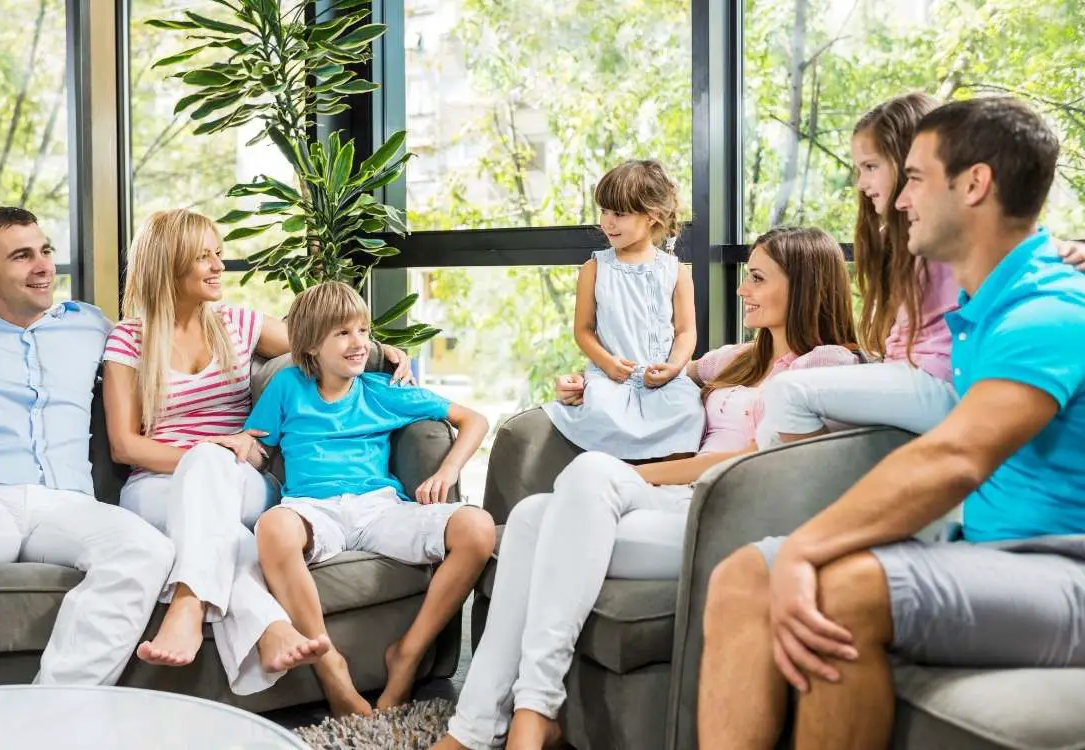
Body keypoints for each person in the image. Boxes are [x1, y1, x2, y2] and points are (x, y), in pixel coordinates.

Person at [698, 97, 1085, 750]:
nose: (898, 199)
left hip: (1064, 567)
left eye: (914, 178)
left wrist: (807, 545)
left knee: (842, 590)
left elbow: (953, 458)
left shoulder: (1047, 312)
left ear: (974, 184)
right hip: (984, 551)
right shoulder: (982, 313)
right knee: (744, 573)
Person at [433, 226, 861, 750]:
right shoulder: (735, 360)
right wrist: (584, 386)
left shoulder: (830, 364)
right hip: (673, 502)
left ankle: (535, 708)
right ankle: (473, 729)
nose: (742, 290)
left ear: (804, 286)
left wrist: (641, 474)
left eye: (756, 278)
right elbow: (645, 374)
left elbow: (770, 460)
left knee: (592, 474)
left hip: (724, 518)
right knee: (527, 518)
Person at [102, 209, 414, 694]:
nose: (216, 267)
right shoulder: (130, 339)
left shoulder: (238, 324)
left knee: (212, 464)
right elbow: (125, 446)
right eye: (202, 257)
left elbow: (324, 343)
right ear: (167, 264)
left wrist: (383, 351)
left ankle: (189, 599)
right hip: (155, 487)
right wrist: (205, 454)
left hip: (240, 477)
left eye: (218, 254)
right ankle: (274, 633)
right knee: (225, 527)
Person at [0, 206, 175, 695]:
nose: (43, 266)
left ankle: (50, 711)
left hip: (67, 505)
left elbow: (178, 343)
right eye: (22, 256)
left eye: (45, 251)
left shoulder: (90, 326)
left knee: (148, 547)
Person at [754, 93, 1085, 449]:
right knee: (771, 428)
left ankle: (838, 494)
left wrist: (1072, 247)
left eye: (870, 167)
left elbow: (1011, 241)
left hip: (939, 378)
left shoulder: (947, 235)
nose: (862, 184)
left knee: (787, 394)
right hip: (911, 372)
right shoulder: (906, 236)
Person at [245, 282, 496, 716]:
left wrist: (446, 471)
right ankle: (331, 669)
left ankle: (408, 655)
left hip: (379, 509)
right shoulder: (287, 385)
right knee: (272, 527)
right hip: (311, 508)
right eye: (343, 333)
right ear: (310, 345)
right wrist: (227, 446)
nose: (359, 343)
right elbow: (257, 447)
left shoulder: (381, 390)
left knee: (478, 528)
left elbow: (473, 419)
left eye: (363, 330)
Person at [541, 159, 706, 460]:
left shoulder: (676, 271)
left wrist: (674, 366)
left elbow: (685, 331)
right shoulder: (594, 269)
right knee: (600, 408)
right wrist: (607, 363)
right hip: (611, 377)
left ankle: (662, 478)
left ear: (652, 216)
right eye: (604, 211)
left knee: (689, 410)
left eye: (619, 214)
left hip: (661, 378)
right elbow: (583, 330)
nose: (608, 222)